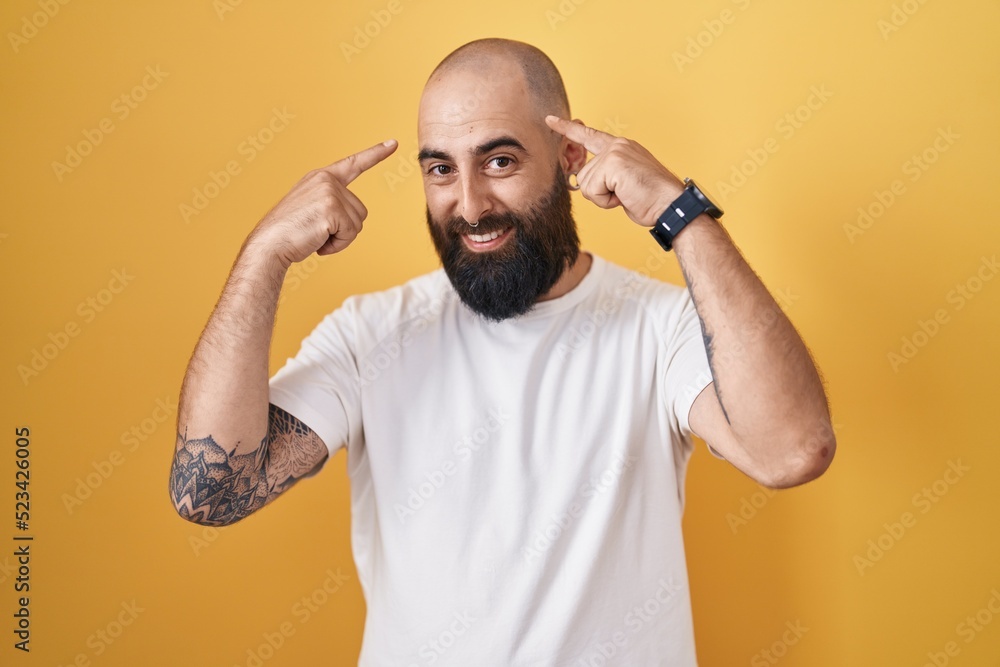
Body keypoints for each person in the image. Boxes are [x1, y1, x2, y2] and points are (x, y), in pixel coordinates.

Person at [169, 38, 835, 666]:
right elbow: (210, 491)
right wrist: (263, 257)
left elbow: (790, 450)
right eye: (440, 169)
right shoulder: (369, 334)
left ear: (569, 158)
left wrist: (678, 211)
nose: (470, 204)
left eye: (499, 161)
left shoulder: (660, 328)